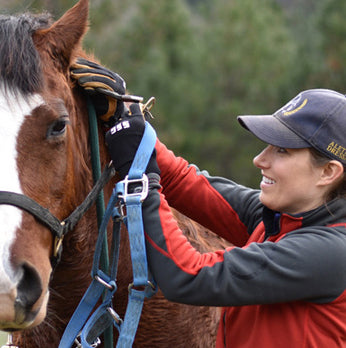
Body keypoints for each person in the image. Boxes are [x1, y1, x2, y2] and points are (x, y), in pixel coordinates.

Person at [71, 60, 346, 348]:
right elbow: (182, 181)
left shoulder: (331, 253)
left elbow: (188, 276)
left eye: (281, 150)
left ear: (328, 172)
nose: (260, 160)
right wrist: (121, 117)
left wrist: (144, 184)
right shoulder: (281, 217)